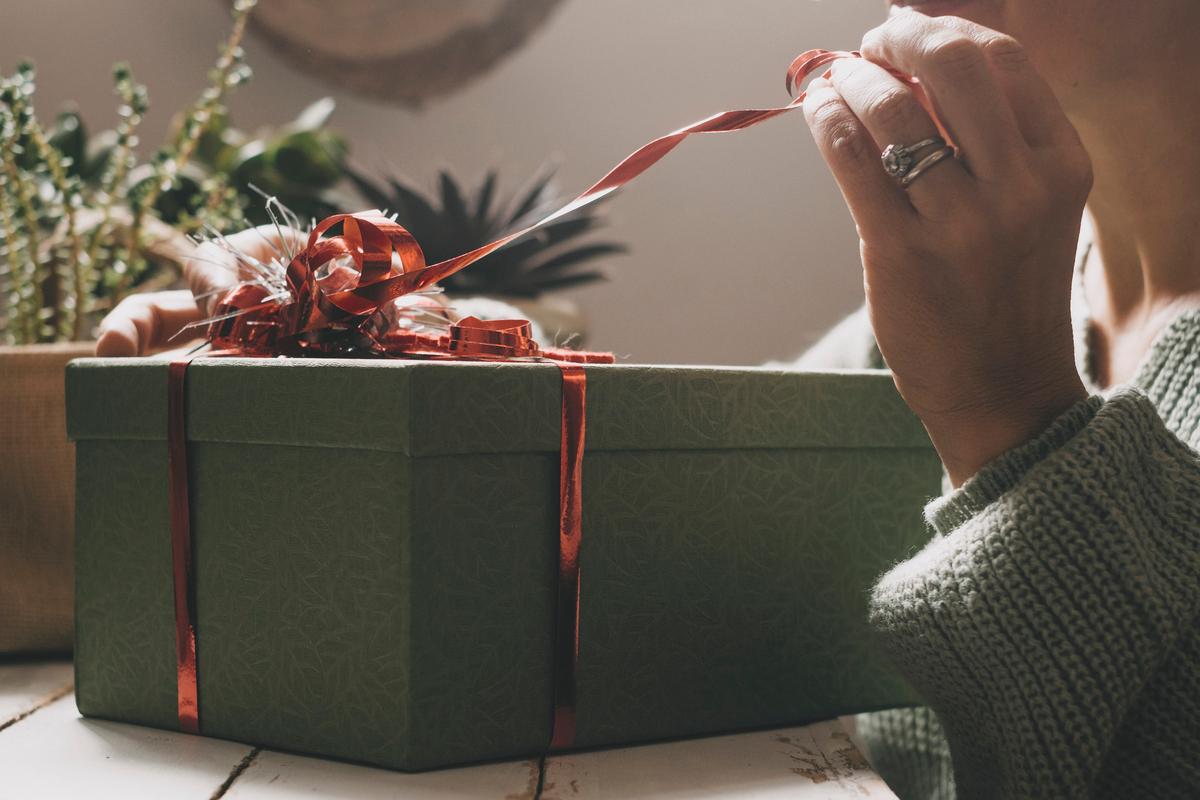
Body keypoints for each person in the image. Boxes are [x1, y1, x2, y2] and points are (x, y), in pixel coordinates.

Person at [99, 1, 1200, 797]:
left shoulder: (987, 326)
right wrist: (409, 345)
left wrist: (1011, 418)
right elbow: (688, 521)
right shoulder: (966, 303)